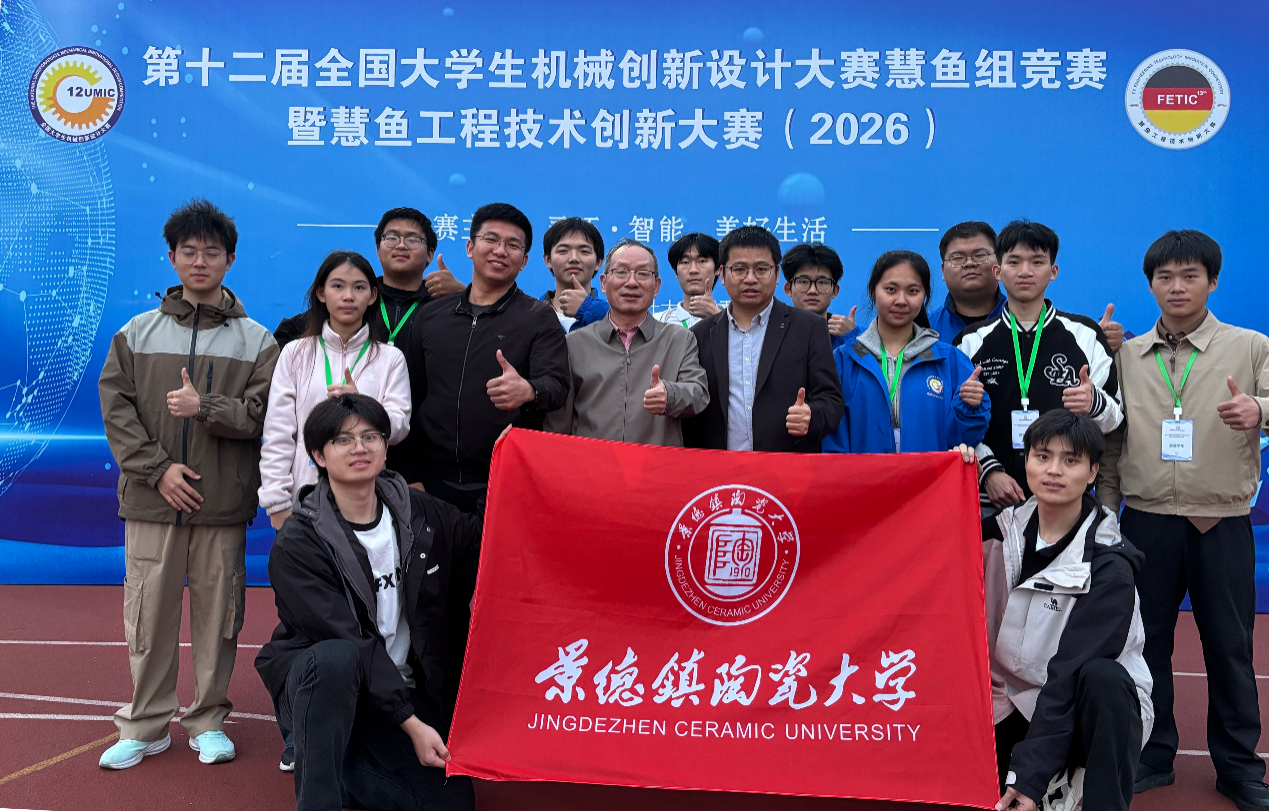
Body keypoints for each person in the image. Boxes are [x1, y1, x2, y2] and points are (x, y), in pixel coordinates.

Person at [97, 199, 279, 769]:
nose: (201, 261)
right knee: (148, 615)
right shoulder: (137, 332)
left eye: (212, 252)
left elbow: (261, 416)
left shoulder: (257, 340)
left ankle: (208, 721)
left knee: (219, 617)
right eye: (189, 251)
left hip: (220, 503)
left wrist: (206, 408)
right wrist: (158, 470)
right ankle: (145, 724)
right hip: (153, 500)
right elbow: (116, 409)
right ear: (172, 258)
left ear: (230, 260)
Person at [1099, 230, 1269, 810]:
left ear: (1212, 281)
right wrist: (1107, 513)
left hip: (1220, 522)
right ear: (1150, 284)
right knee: (1145, 646)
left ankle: (1240, 768)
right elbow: (1112, 443)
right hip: (1145, 522)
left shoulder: (1250, 347)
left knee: (1230, 648)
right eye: (1165, 276)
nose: (1177, 286)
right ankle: (1153, 753)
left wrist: (1258, 409)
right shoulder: (1126, 357)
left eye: (1190, 275)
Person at [256, 394, 479, 811]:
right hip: (325, 688)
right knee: (336, 659)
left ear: (385, 446)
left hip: (399, 687)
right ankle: (319, 792)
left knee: (451, 803)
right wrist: (411, 725)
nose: (359, 448)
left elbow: (482, 539)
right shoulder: (299, 542)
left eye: (370, 436)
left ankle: (344, 767)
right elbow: (352, 642)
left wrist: (509, 460)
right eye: (343, 440)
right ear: (319, 456)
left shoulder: (419, 513)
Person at [979, 410, 1152, 811]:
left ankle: (1086, 785)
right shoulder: (997, 533)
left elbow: (1069, 672)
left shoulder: (1110, 564)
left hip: (1082, 705)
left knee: (1105, 679)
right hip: (1013, 698)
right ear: (1026, 462)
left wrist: (1029, 775)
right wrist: (954, 468)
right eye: (1043, 456)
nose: (1054, 470)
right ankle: (1050, 778)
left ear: (1092, 473)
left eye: (1070, 460)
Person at [401, 202, 569, 509]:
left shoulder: (538, 318)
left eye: (513, 245)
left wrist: (529, 390)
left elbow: (557, 385)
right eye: (490, 239)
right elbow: (409, 395)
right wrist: (411, 474)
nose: (500, 250)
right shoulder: (431, 316)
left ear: (524, 261)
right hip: (431, 483)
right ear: (470, 247)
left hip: (504, 480)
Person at [954, 220, 1122, 511]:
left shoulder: (1085, 335)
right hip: (991, 500)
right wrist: (988, 471)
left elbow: (1116, 418)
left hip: (1066, 499)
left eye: (1037, 262)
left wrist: (1094, 402)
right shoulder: (969, 341)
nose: (1025, 271)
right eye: (1014, 262)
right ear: (998, 271)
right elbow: (953, 424)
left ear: (1053, 271)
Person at [261, 250, 411, 530]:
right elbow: (278, 433)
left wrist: (362, 404)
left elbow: (399, 427)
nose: (348, 296)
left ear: (373, 296)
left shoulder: (390, 358)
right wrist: (276, 501)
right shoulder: (295, 353)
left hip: (368, 499)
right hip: (304, 499)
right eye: (338, 286)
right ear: (321, 292)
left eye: (359, 288)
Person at [682, 226, 843, 452]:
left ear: (776, 274)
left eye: (761, 269)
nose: (750, 279)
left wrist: (812, 416)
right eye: (739, 269)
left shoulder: (809, 328)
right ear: (722, 274)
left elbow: (831, 399)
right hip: (720, 468)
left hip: (787, 466)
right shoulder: (699, 335)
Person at [544, 239, 709, 445]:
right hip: (592, 461)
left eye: (643, 273)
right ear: (604, 283)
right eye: (621, 272)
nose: (631, 282)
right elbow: (559, 421)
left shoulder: (679, 339)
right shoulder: (575, 343)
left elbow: (698, 393)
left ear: (656, 286)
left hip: (655, 462)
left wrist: (670, 395)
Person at [823, 250, 989, 453]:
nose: (901, 300)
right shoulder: (844, 360)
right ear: (873, 291)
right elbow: (833, 440)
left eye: (912, 291)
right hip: (863, 474)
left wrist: (971, 407)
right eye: (891, 289)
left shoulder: (950, 360)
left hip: (929, 473)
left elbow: (961, 441)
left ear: (924, 296)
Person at [274, 207, 464, 349]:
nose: (401, 245)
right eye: (392, 237)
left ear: (430, 254)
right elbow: (286, 334)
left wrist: (463, 295)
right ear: (378, 250)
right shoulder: (358, 297)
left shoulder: (443, 305)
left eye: (413, 239)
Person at [931, 221, 1124, 352]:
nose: (969, 263)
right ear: (942, 270)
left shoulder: (1052, 326)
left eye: (980, 255)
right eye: (958, 258)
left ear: (997, 265)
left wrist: (1099, 342)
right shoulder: (924, 328)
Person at [781, 242, 857, 349]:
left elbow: (869, 360)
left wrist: (852, 340)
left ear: (835, 291)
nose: (813, 291)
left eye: (822, 282)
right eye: (803, 282)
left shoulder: (852, 335)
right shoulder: (773, 332)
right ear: (788, 289)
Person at [540, 216, 607, 331]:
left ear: (598, 262)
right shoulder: (529, 316)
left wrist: (587, 308)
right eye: (563, 251)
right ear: (548, 260)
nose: (574, 258)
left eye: (584, 251)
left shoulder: (614, 317)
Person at [656, 232, 723, 328]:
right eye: (685, 262)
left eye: (702, 261)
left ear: (717, 269)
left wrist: (717, 317)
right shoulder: (659, 322)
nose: (693, 270)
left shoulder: (734, 320)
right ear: (676, 272)